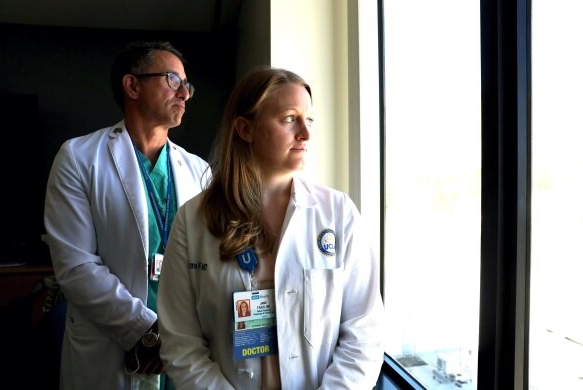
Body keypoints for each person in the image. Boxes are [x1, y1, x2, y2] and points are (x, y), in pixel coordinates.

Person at [157, 66, 387, 389]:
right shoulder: (192, 221)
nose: (305, 134)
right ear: (245, 129)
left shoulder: (338, 214)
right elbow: (181, 343)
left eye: (309, 120)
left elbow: (364, 332)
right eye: (290, 119)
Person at [44, 41, 209, 390]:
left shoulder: (199, 171)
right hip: (110, 349)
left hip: (185, 348)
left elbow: (209, 262)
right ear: (132, 85)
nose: (185, 93)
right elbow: (75, 266)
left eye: (187, 84)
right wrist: (146, 330)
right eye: (172, 80)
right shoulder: (79, 158)